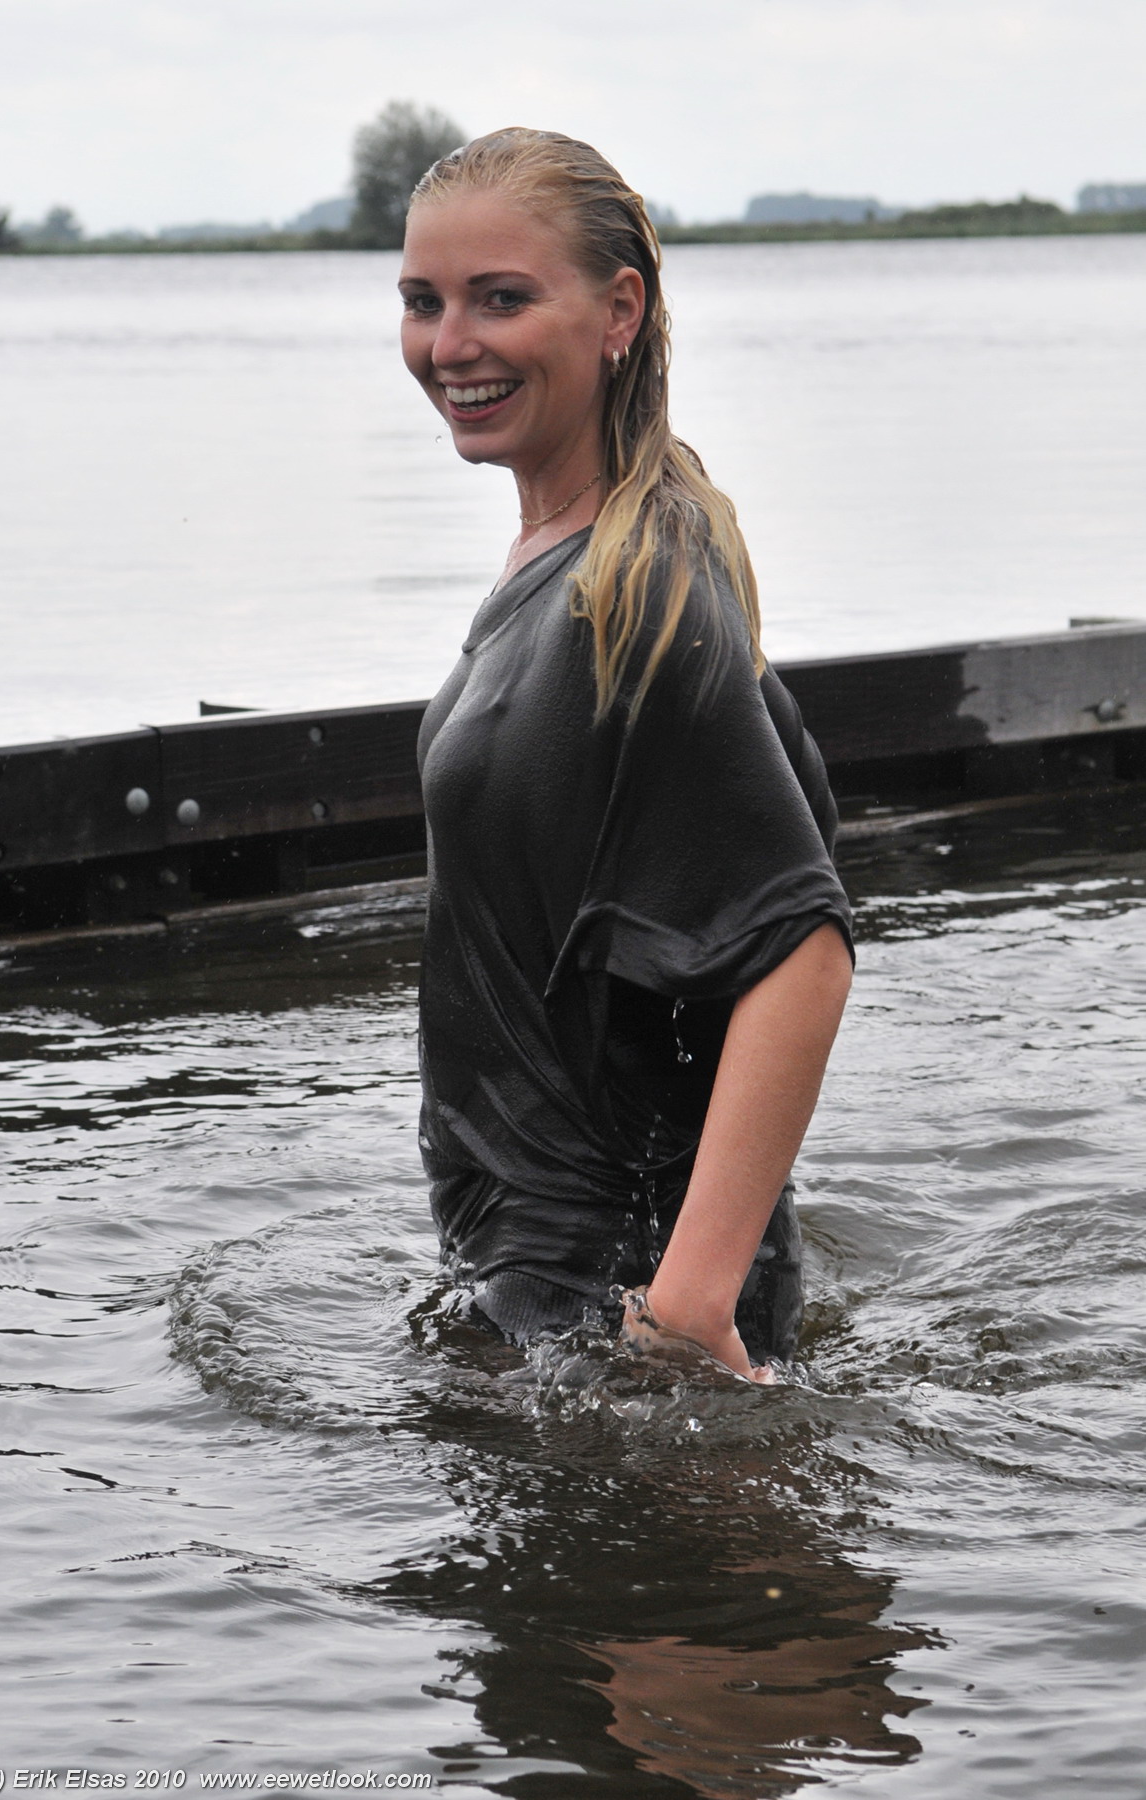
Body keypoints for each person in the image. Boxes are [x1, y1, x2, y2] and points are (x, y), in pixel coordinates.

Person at [400, 128, 853, 1382]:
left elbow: (800, 950)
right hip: (541, 1279)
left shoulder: (632, 592)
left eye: (501, 299)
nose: (450, 344)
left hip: (602, 1303)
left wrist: (685, 1309)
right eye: (424, 302)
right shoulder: (580, 552)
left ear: (617, 313)